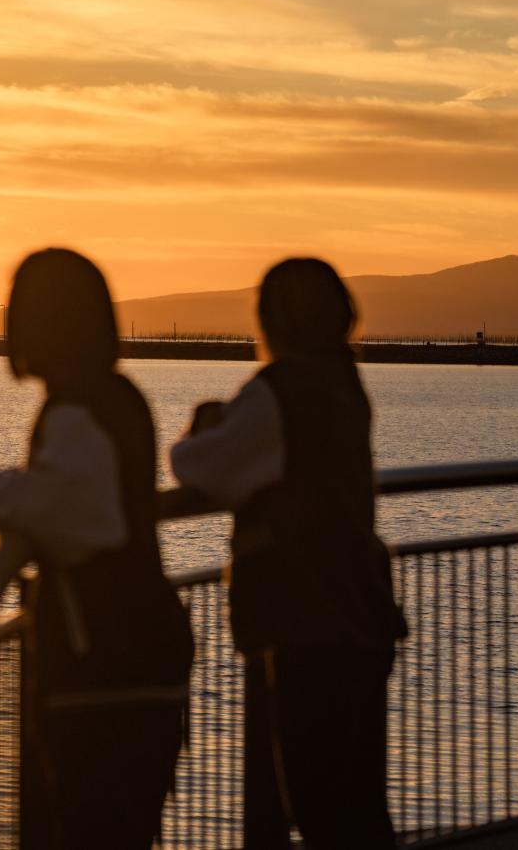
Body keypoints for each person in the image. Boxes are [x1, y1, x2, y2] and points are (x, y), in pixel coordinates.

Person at [171, 257, 407, 849]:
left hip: (307, 620)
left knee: (318, 802)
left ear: (274, 320)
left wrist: (202, 427)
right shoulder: (343, 382)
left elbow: (203, 467)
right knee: (357, 805)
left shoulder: (279, 390)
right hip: (362, 608)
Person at [0, 248, 193, 850]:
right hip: (145, 650)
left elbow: (77, 516)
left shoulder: (75, 411)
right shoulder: (121, 395)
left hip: (103, 662)